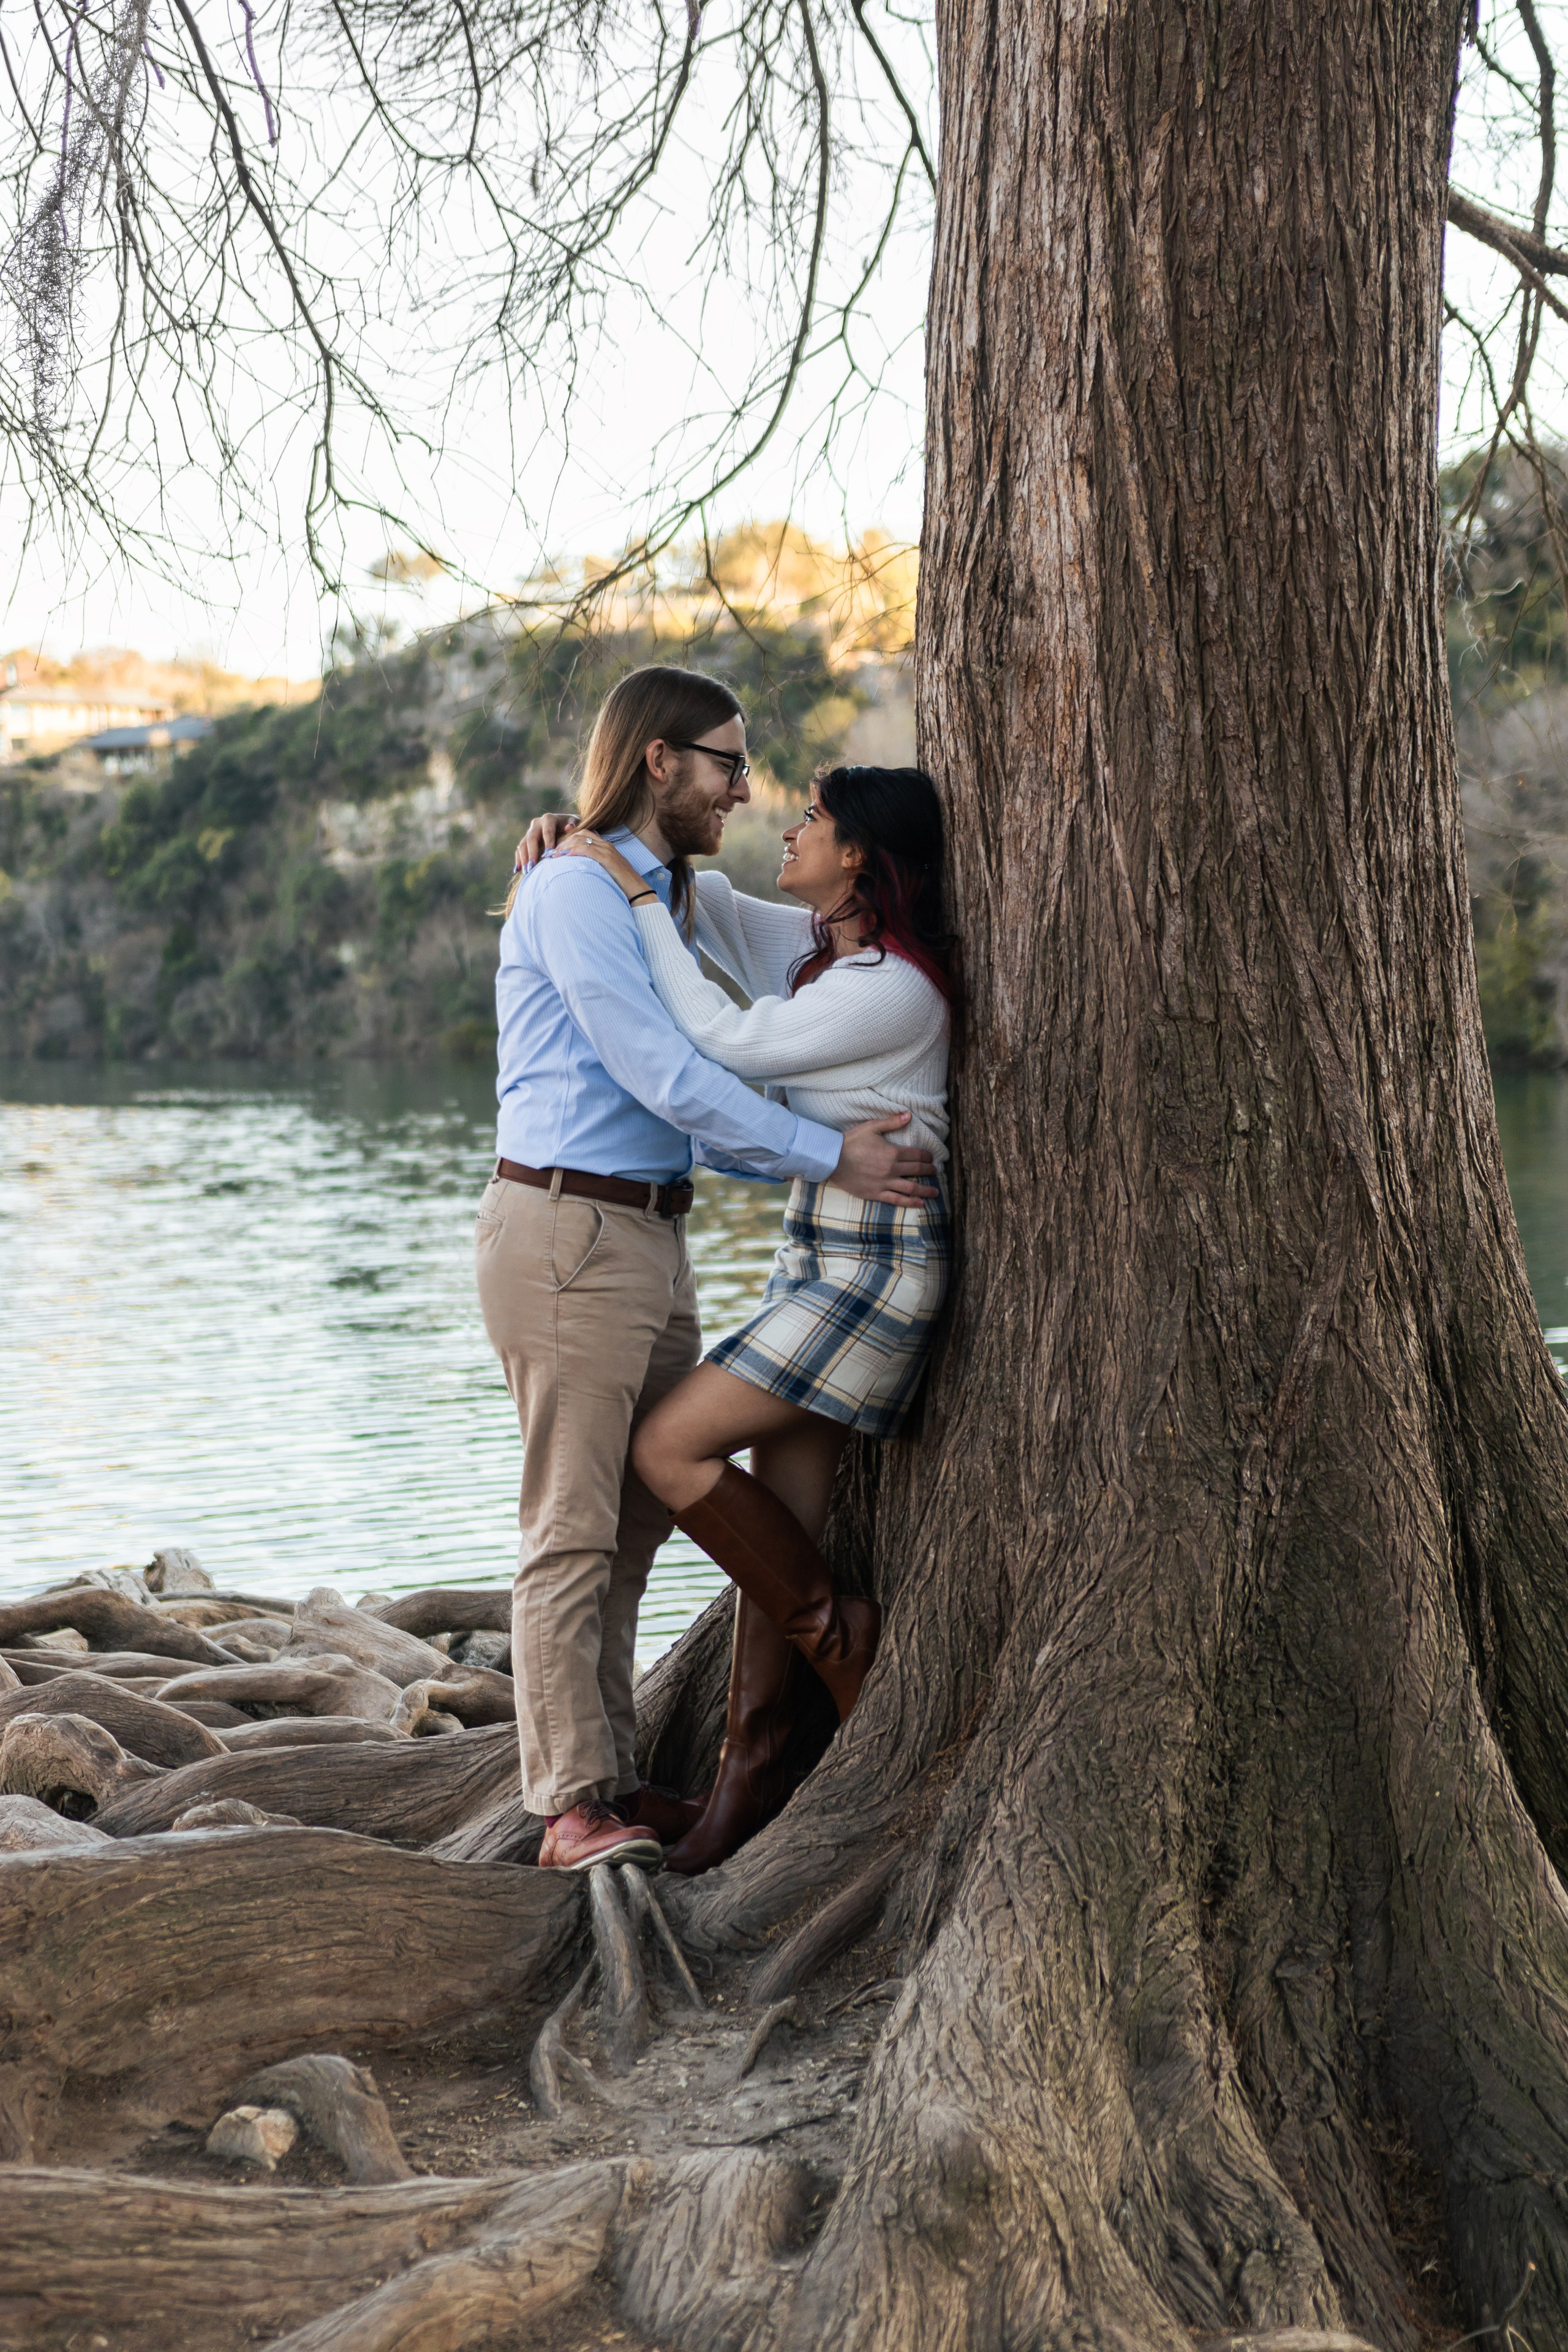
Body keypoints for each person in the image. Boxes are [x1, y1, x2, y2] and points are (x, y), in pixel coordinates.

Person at [478, 668, 936, 1873]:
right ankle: (569, 1807)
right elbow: (671, 1077)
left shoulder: (663, 891)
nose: (745, 786)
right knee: (571, 1529)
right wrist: (830, 1153)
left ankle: (616, 1777)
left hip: (646, 1233)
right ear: (657, 762)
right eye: (725, 763)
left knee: (635, 1517)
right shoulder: (581, 892)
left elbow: (824, 947)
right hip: (567, 1228)